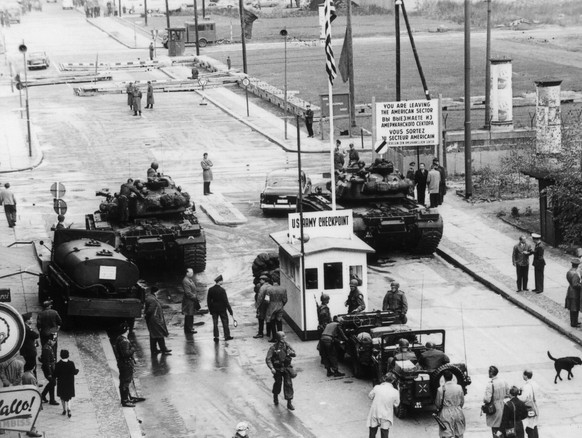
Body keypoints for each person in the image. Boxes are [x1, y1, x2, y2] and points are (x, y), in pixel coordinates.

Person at [112, 322, 143, 408]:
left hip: (123, 363)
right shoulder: (124, 341)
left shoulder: (120, 338)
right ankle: (125, 400)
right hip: (126, 364)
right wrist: (132, 349)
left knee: (125, 381)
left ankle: (127, 398)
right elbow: (126, 354)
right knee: (125, 382)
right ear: (126, 330)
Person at [265, 331, 296, 410]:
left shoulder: (287, 345)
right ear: (279, 339)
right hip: (277, 369)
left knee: (288, 384)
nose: (284, 339)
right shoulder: (273, 348)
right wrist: (272, 368)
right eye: (283, 338)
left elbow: (294, 353)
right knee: (278, 383)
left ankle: (289, 402)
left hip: (286, 367)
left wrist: (290, 353)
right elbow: (268, 359)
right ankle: (275, 396)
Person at [367, 372, 400, 438]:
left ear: (384, 379)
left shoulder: (377, 387)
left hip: (375, 412)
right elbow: (396, 404)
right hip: (386, 414)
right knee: (384, 432)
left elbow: (370, 396)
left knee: (372, 431)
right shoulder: (395, 392)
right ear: (393, 381)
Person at [435, 369, 466, 438]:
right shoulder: (459, 387)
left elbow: (438, 404)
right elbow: (462, 401)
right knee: (459, 433)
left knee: (446, 434)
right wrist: (457, 407)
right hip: (458, 411)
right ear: (452, 377)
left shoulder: (440, 389)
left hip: (445, 412)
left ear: (444, 378)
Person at [144, 287, 172, 355]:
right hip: (155, 320)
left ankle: (154, 349)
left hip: (153, 319)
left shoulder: (150, 298)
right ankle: (163, 349)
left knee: (153, 335)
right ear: (155, 292)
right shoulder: (152, 300)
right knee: (159, 334)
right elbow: (150, 310)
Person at [483, 365, 509, 437]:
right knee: (503, 428)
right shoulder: (503, 381)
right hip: (503, 406)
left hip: (495, 409)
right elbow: (508, 393)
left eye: (489, 372)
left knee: (495, 428)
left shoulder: (490, 384)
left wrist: (484, 399)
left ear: (491, 373)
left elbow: (487, 399)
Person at [207, 275, 234, 342]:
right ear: (219, 281)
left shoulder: (211, 289)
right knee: (225, 322)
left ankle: (216, 336)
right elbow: (226, 301)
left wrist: (210, 310)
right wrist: (230, 310)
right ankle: (227, 336)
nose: (222, 281)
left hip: (214, 309)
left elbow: (208, 301)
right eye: (222, 280)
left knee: (215, 323)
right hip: (222, 309)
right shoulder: (222, 290)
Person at [53, 349, 79, 418]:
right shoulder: (71, 363)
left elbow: (55, 374)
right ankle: (69, 409)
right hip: (69, 383)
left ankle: (64, 409)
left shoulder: (58, 364)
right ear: (68, 355)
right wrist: (77, 370)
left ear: (61, 356)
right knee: (69, 397)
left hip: (61, 383)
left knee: (62, 397)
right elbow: (74, 372)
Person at [22, 364, 43, 437]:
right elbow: (35, 388)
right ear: (32, 367)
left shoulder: (24, 375)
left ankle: (29, 429)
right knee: (34, 414)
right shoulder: (31, 377)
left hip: (27, 397)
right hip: (32, 398)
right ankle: (31, 430)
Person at [519, 369, 540, 438]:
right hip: (536, 407)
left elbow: (524, 398)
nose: (522, 376)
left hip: (530, 408)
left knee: (529, 427)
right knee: (534, 425)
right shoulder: (535, 384)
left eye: (523, 375)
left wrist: (518, 396)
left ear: (525, 376)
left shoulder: (526, 386)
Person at [40, 336, 59, 405]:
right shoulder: (46, 349)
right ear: (49, 340)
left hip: (51, 369)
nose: (54, 343)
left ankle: (51, 399)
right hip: (49, 370)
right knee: (53, 382)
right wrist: (49, 373)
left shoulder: (48, 347)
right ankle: (43, 396)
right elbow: (46, 362)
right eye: (53, 341)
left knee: (52, 383)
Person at [20, 313, 40, 377]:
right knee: (31, 365)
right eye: (31, 318)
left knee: (32, 365)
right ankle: (30, 379)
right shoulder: (27, 329)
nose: (32, 320)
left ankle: (34, 380)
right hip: (29, 351)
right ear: (27, 320)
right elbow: (36, 335)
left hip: (27, 350)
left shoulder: (26, 327)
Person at [182, 268, 199, 334]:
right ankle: (189, 329)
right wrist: (194, 297)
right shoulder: (185, 281)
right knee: (189, 314)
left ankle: (189, 327)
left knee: (190, 314)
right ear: (187, 273)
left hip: (191, 300)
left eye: (192, 272)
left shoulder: (189, 280)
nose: (192, 274)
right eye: (191, 273)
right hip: (189, 301)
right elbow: (188, 293)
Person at [565, 258, 582, 327]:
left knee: (573, 308)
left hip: (570, 290)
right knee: (574, 308)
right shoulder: (575, 274)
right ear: (577, 265)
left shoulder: (569, 271)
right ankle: (574, 322)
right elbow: (575, 284)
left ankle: (574, 321)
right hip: (575, 293)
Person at [253, 275, 271, 339]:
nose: (260, 281)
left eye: (261, 279)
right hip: (269, 305)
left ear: (264, 280)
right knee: (268, 319)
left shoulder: (262, 287)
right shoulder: (270, 286)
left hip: (262, 305)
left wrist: (257, 306)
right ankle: (268, 332)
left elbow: (260, 297)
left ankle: (260, 333)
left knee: (261, 319)